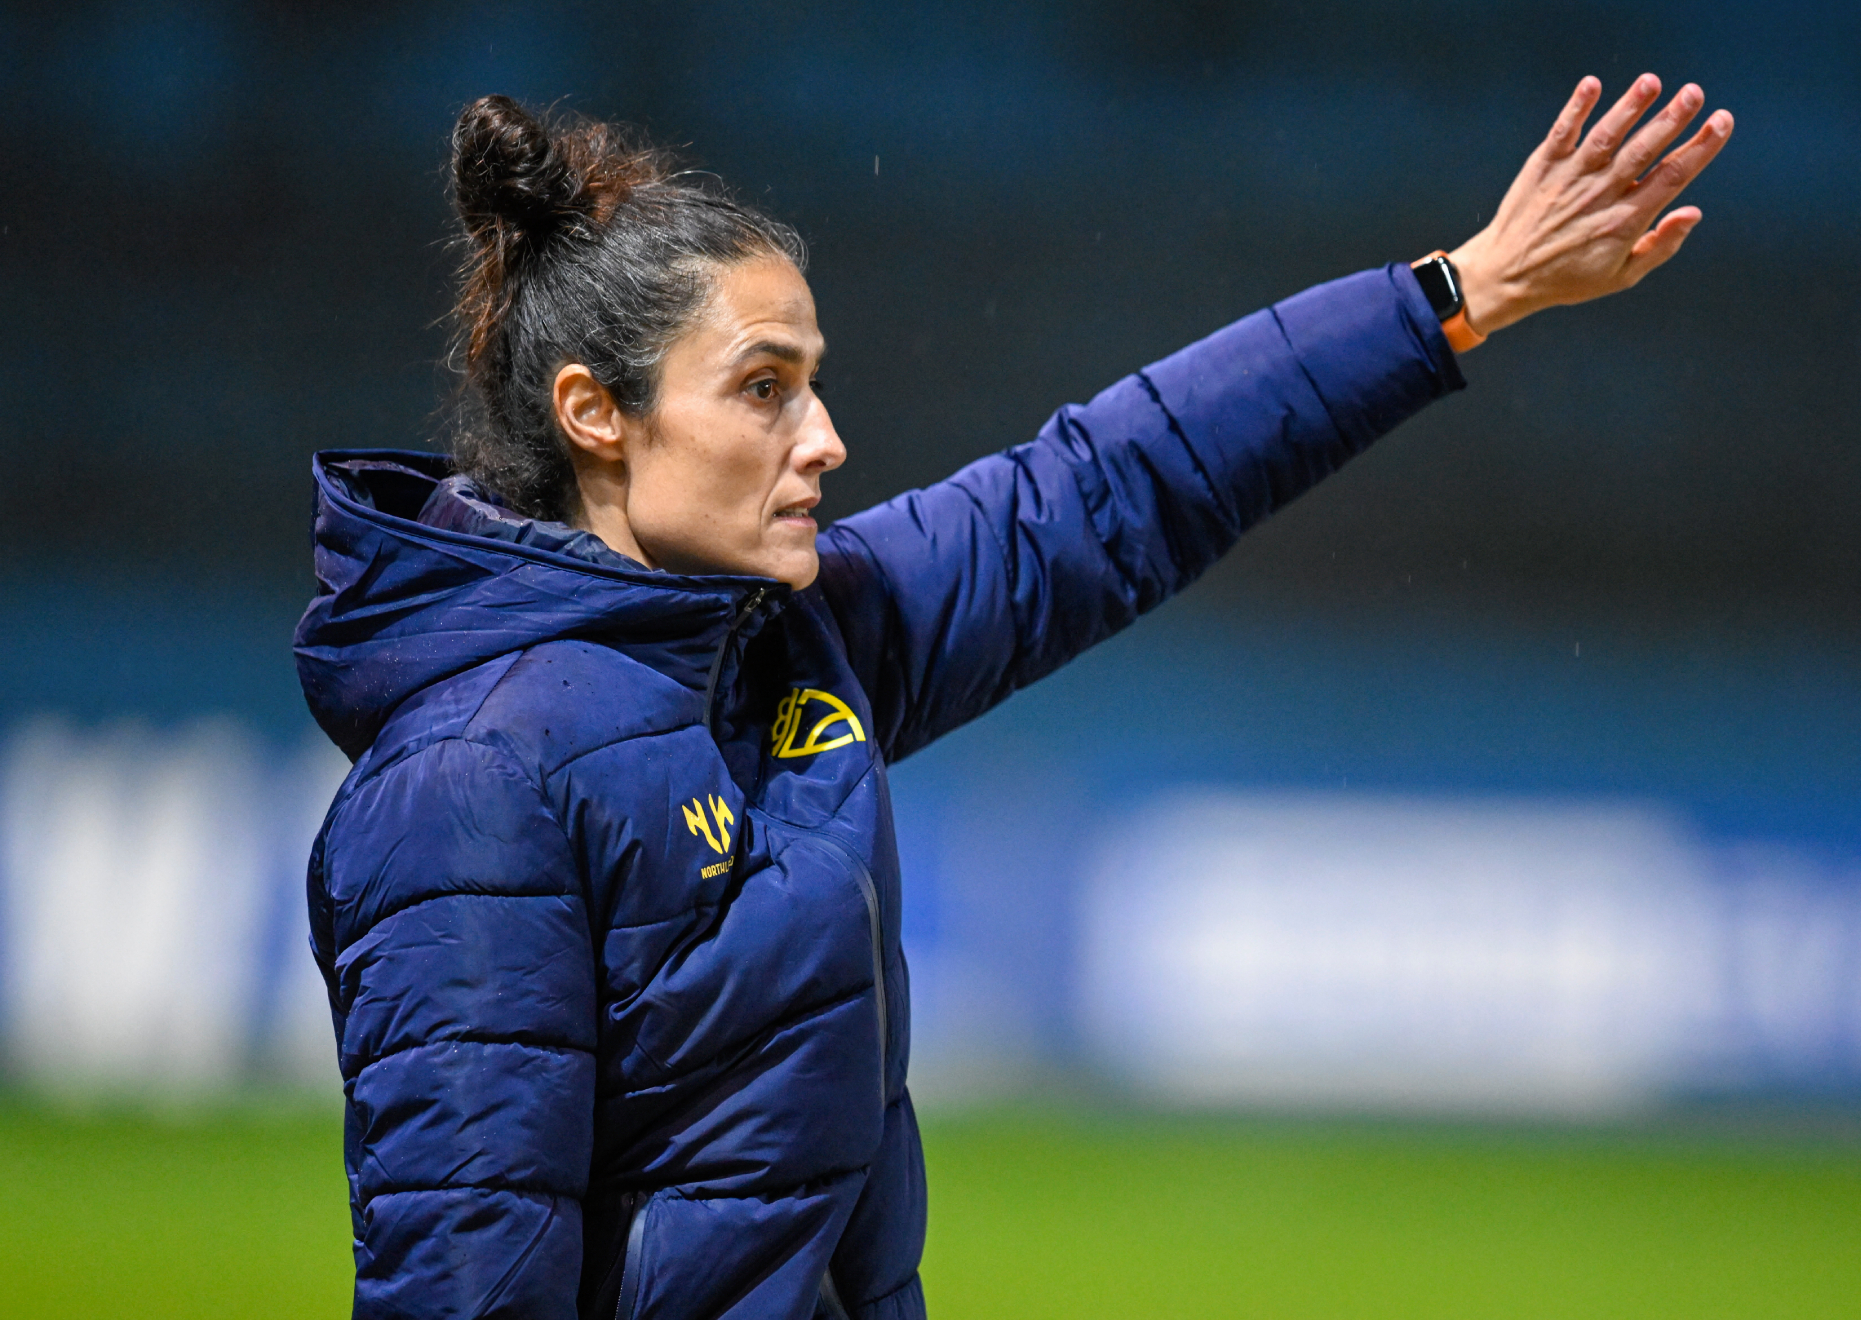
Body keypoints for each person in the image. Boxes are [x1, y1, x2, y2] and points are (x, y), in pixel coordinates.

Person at [296, 76, 1730, 1320]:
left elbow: (1106, 490)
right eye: (764, 390)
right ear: (594, 413)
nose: (827, 441)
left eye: (817, 385)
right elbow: (470, 1263)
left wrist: (1462, 292)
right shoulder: (474, 776)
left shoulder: (796, 643)